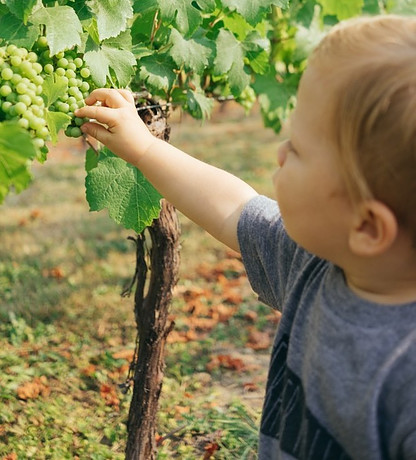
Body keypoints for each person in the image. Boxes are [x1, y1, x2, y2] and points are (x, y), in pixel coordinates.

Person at [75, 14, 416, 460]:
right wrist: (143, 148)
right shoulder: (313, 261)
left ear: (368, 228)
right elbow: (232, 205)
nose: (278, 151)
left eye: (297, 149)